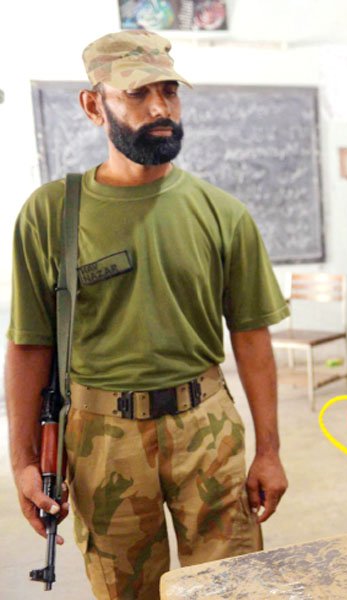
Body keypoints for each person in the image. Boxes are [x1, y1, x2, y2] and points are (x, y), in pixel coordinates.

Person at [7, 30, 290, 599]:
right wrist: (21, 462)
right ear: (94, 105)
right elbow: (29, 344)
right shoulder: (51, 214)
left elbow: (252, 338)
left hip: (206, 426)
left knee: (231, 586)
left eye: (168, 91)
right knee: (126, 591)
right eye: (137, 94)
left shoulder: (222, 214)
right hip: (100, 437)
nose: (160, 109)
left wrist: (269, 449)